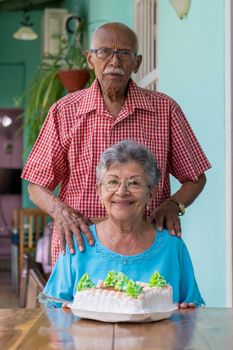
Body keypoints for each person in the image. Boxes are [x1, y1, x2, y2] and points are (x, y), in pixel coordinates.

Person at [21, 22, 211, 266]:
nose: (114, 62)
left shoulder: (165, 110)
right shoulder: (64, 111)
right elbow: (36, 186)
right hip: (81, 245)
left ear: (137, 62)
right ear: (90, 59)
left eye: (124, 53)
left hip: (147, 247)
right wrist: (61, 213)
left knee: (154, 304)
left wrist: (174, 204)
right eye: (104, 52)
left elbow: (195, 176)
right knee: (75, 306)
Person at [43, 141, 204, 309]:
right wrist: (64, 316)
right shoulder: (77, 243)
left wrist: (189, 312)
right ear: (99, 192)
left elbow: (194, 307)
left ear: (151, 193)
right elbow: (50, 309)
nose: (121, 192)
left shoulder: (172, 246)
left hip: (158, 336)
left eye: (134, 183)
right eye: (112, 182)